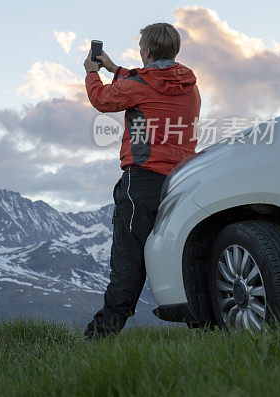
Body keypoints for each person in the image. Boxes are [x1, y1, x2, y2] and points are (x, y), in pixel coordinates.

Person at [82, 22, 201, 338]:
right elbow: (146, 82)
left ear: (146, 51)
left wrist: (92, 73)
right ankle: (205, 326)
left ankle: (100, 338)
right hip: (183, 182)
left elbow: (103, 99)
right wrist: (114, 68)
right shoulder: (189, 85)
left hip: (142, 183)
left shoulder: (139, 87)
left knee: (128, 265)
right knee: (183, 253)